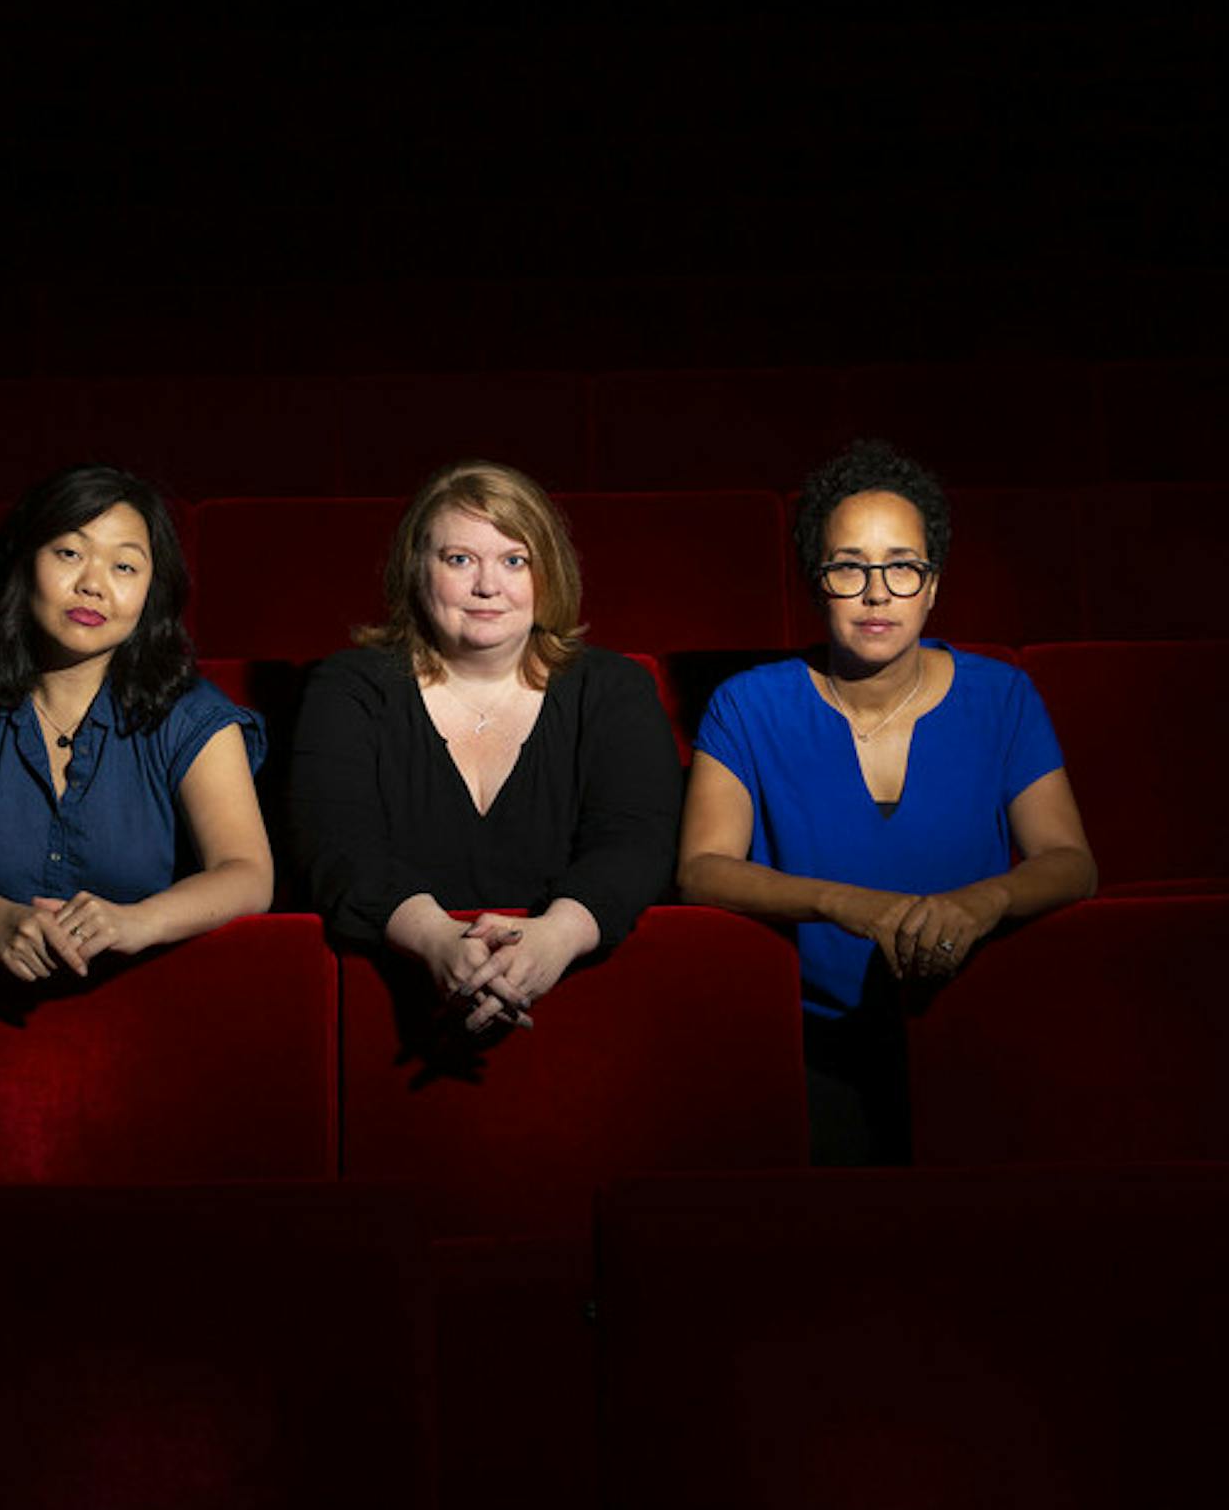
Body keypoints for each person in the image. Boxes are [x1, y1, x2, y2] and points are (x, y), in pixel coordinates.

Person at [677, 439, 1096, 1162]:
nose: (878, 594)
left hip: (975, 1031)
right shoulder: (747, 705)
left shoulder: (1002, 696)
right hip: (805, 1044)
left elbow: (1070, 862)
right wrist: (848, 904)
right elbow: (702, 868)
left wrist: (980, 903)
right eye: (849, 568)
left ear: (933, 586)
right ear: (817, 583)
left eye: (903, 567)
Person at [287, 460, 681, 1032]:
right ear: (416, 569)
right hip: (386, 1011)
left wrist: (559, 936)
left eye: (514, 560)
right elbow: (335, 847)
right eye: (459, 560)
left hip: (589, 1007)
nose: (487, 586)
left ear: (547, 574)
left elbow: (637, 843)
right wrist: (432, 936)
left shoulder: (614, 688)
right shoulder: (349, 688)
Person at [0, 463, 272, 981]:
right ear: (24, 563)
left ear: (152, 592)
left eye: (125, 567)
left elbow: (247, 874)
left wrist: (137, 922)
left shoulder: (193, 715)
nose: (92, 585)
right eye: (70, 553)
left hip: (156, 999)